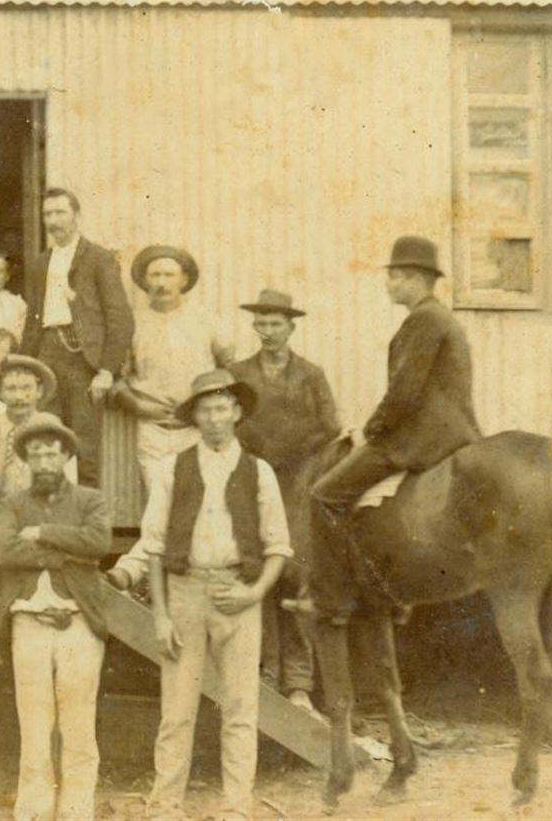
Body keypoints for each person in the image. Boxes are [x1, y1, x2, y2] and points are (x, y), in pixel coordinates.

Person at [139, 370, 293, 820]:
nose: (214, 418)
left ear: (237, 413)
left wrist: (254, 593)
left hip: (238, 593)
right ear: (195, 417)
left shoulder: (258, 471)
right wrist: (161, 616)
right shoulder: (173, 467)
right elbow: (153, 546)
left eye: (222, 408)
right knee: (177, 710)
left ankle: (236, 808)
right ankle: (165, 806)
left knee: (241, 708)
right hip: (185, 591)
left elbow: (278, 546)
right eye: (205, 410)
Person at [308, 236, 480, 622]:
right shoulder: (443, 318)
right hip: (456, 433)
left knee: (322, 496)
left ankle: (332, 601)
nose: (389, 284)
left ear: (419, 279)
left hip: (420, 438)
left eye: (397, 277)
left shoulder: (423, 319)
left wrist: (371, 429)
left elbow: (404, 392)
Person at [0, 414, 112, 821]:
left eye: (51, 453)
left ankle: (77, 812)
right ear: (26, 459)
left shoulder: (90, 500)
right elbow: (5, 552)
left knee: (78, 726)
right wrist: (67, 554)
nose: (44, 461)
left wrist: (43, 533)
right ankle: (33, 811)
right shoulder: (12, 503)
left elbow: (98, 543)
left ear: (66, 456)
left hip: (77, 622)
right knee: (35, 724)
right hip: (29, 622)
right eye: (36, 453)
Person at [228, 290, 338, 709]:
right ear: (255, 328)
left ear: (291, 328)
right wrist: (256, 452)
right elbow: (226, 421)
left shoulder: (311, 374)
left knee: (294, 573)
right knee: (255, 572)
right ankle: (264, 675)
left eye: (278, 324)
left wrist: (293, 452)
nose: (270, 332)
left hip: (297, 485)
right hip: (251, 480)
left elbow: (331, 426)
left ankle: (298, 684)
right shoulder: (238, 372)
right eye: (263, 324)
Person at [21, 188, 133, 486]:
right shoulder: (40, 263)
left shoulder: (99, 259)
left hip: (83, 359)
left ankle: (88, 525)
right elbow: (32, 320)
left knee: (85, 445)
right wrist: (26, 366)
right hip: (46, 353)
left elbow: (119, 318)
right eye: (48, 214)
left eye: (60, 212)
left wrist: (107, 370)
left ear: (77, 216)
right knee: (44, 437)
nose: (53, 220)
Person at [115, 244, 235, 487]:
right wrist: (138, 405)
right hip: (153, 431)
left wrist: (209, 407)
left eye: (169, 275)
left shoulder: (206, 320)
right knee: (159, 505)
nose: (162, 282)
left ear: (184, 280)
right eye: (155, 275)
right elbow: (117, 381)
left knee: (201, 502)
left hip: (198, 429)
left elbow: (231, 370)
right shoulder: (132, 323)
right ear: (145, 281)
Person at [0, 355, 78, 496]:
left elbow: (68, 490)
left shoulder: (54, 429)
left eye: (26, 388)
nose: (19, 396)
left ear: (39, 391)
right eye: (11, 389)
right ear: (0, 393)